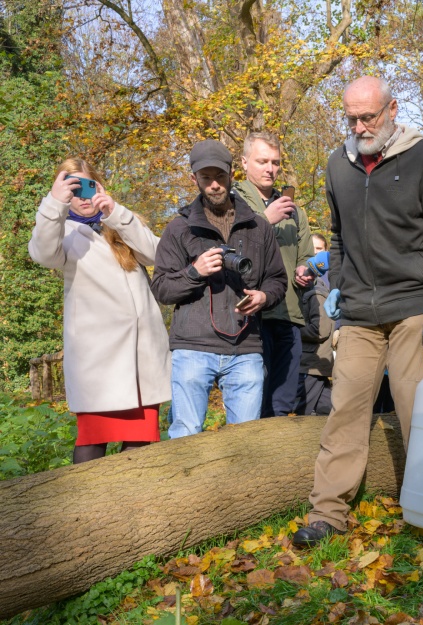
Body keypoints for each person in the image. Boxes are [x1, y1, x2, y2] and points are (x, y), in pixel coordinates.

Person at [292, 76, 423, 546]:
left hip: (415, 306)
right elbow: (339, 238)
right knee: (345, 410)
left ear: (392, 110)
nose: (358, 126)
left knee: (418, 410)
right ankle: (326, 515)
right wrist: (341, 287)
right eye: (350, 118)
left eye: (367, 116)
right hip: (358, 314)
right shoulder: (338, 165)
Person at [29, 159, 171, 463]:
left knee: (140, 443)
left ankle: (134, 507)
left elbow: (159, 254)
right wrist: (54, 203)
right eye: (72, 187)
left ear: (99, 186)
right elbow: (42, 254)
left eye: (87, 186)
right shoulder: (60, 230)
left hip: (140, 357)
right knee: (93, 443)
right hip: (99, 363)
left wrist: (116, 213)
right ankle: (84, 510)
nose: (81, 195)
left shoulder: (118, 222)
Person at [152, 140, 287, 437]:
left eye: (220, 177)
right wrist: (194, 272)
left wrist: (264, 297)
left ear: (231, 174)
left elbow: (278, 280)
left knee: (247, 439)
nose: (214, 185)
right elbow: (161, 289)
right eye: (206, 178)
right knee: (186, 433)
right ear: (194, 179)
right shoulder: (178, 229)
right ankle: (188, 486)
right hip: (192, 347)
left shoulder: (258, 227)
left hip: (246, 347)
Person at [232, 132, 314, 418]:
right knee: (252, 403)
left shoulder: (294, 211)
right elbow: (226, 245)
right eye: (262, 161)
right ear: (244, 162)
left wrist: (306, 270)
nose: (270, 168)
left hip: (289, 312)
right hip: (250, 313)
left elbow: (305, 255)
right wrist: (265, 220)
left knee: (283, 404)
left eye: (275, 162)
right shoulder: (231, 202)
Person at [297, 251, 334, 416]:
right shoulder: (313, 292)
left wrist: (294, 330)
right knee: (325, 405)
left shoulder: (316, 293)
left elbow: (321, 330)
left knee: (301, 410)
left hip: (311, 363)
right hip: (313, 364)